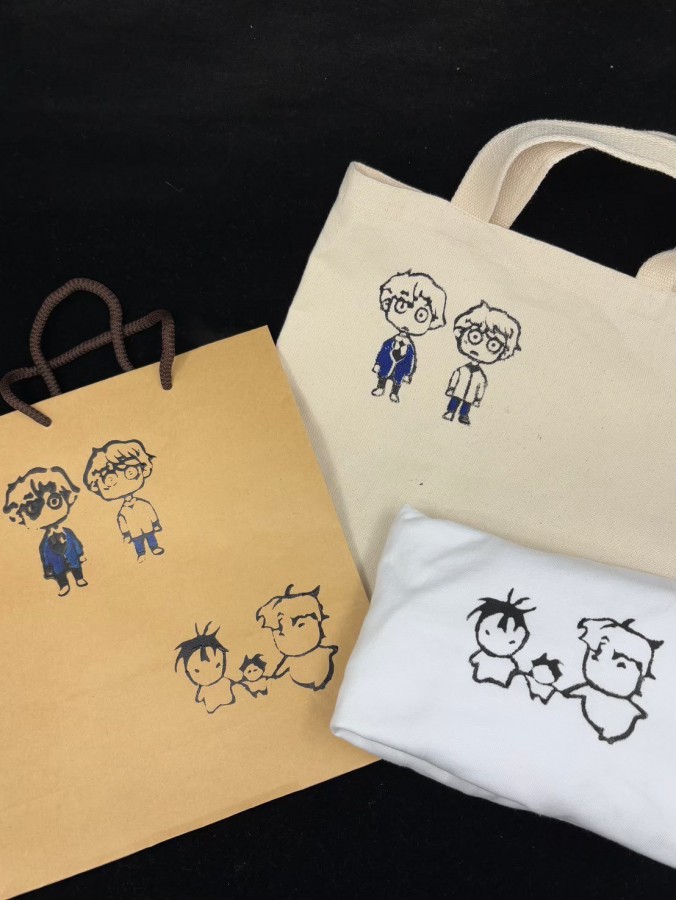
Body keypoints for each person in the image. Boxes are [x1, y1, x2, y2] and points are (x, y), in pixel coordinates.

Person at [564, 617, 662, 744]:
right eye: (597, 653)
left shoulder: (631, 716)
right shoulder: (575, 695)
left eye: (621, 664)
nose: (603, 665)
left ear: (639, 679)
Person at [3, 466, 87, 597]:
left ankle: (79, 578)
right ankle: (63, 585)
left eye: (54, 501)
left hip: (72, 557)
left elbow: (75, 543)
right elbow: (45, 554)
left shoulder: (68, 533)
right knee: (59, 572)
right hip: (57, 563)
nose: (46, 512)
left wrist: (80, 554)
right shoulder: (46, 542)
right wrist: (47, 567)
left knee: (76, 565)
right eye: (33, 509)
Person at [83, 438, 164, 562]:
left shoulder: (142, 504)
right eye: (110, 479)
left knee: (150, 536)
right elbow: (123, 522)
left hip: (148, 527)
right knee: (138, 542)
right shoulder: (123, 512)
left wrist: (156, 524)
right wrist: (126, 534)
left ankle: (154, 547)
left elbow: (150, 512)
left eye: (130, 472)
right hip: (135, 532)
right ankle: (141, 553)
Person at [372, 271, 447, 403]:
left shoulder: (410, 348)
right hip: (385, 367)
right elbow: (383, 353)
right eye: (401, 306)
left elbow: (410, 361)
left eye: (421, 315)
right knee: (383, 375)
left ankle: (394, 393)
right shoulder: (389, 342)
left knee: (398, 380)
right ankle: (380, 387)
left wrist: (408, 373)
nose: (407, 321)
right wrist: (378, 364)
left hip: (400, 371)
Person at [443, 300, 521, 425]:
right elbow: (456, 377)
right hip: (457, 392)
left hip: (469, 397)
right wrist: (451, 388)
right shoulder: (462, 370)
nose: (479, 348)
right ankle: (450, 412)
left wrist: (478, 399)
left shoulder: (480, 376)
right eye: (475, 336)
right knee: (455, 400)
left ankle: (463, 416)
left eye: (493, 345)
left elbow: (481, 386)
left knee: (466, 405)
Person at [256, 584, 337, 691]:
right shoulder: (289, 661)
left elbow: (329, 652)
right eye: (280, 633)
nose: (293, 636)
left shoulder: (323, 652)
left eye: (301, 625)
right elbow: (277, 675)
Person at [467, 588, 534, 687]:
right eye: (487, 633)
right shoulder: (480, 656)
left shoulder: (509, 665)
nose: (496, 643)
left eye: (511, 642)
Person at [175, 623, 235, 713]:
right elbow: (199, 699)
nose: (209, 674)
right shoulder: (205, 689)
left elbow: (199, 699)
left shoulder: (225, 682)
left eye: (217, 665)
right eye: (197, 671)